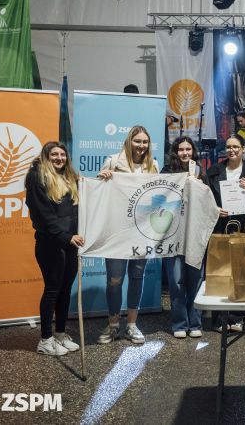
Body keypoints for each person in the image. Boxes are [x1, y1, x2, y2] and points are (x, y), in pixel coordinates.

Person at [97, 125, 159, 345]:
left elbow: (157, 196)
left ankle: (132, 325)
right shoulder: (113, 161)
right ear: (129, 141)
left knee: (136, 277)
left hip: (141, 231)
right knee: (115, 280)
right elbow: (99, 193)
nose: (141, 146)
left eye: (145, 142)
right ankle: (113, 325)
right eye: (137, 141)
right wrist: (100, 178)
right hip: (116, 231)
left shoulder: (153, 166)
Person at [25, 142, 84, 356]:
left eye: (62, 154)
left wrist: (103, 178)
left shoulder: (69, 177)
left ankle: (60, 333)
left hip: (70, 243)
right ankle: (45, 339)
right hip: (51, 243)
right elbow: (43, 215)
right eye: (54, 155)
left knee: (65, 289)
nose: (59, 158)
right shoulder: (37, 178)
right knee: (52, 290)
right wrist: (65, 237)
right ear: (46, 157)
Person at [203, 134, 245, 332]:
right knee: (219, 272)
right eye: (229, 147)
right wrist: (215, 210)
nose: (232, 150)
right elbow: (205, 200)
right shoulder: (213, 171)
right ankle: (218, 319)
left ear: (243, 149)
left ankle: (237, 318)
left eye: (236, 146)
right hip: (219, 227)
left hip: (242, 228)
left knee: (240, 273)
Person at [161, 136, 204, 339]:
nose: (185, 153)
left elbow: (207, 199)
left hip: (195, 233)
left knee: (196, 279)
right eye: (181, 149)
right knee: (176, 280)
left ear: (193, 151)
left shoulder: (200, 171)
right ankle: (179, 323)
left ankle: (195, 322)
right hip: (173, 234)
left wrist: (199, 184)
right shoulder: (167, 171)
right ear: (175, 152)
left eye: (188, 149)